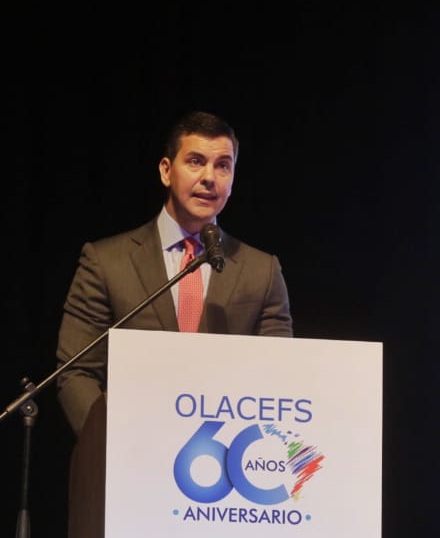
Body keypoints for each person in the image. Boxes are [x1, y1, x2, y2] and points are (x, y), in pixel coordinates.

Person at [54, 110, 293, 436]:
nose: (210, 177)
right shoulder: (106, 262)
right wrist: (112, 445)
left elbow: (277, 379)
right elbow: (76, 373)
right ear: (166, 171)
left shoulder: (262, 271)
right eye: (195, 161)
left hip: (224, 465)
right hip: (130, 452)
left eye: (223, 165)